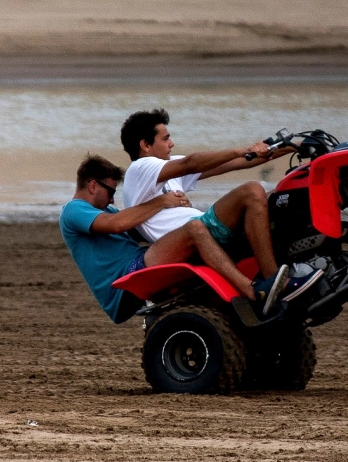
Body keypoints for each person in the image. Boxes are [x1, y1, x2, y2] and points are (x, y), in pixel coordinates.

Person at [60, 153, 291, 324]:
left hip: (139, 262)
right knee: (194, 229)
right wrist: (162, 201)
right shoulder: (73, 210)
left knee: (201, 229)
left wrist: (178, 208)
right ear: (92, 185)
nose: (112, 199)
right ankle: (253, 290)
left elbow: (139, 227)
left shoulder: (107, 211)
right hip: (124, 280)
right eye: (110, 192)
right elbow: (118, 224)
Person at [119, 108, 322, 302]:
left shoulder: (167, 169)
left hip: (203, 228)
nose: (171, 143)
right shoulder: (139, 169)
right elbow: (191, 163)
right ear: (145, 145)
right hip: (186, 238)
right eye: (165, 138)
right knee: (252, 191)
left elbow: (238, 162)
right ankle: (272, 280)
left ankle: (305, 262)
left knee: (279, 195)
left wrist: (298, 145)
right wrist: (242, 150)